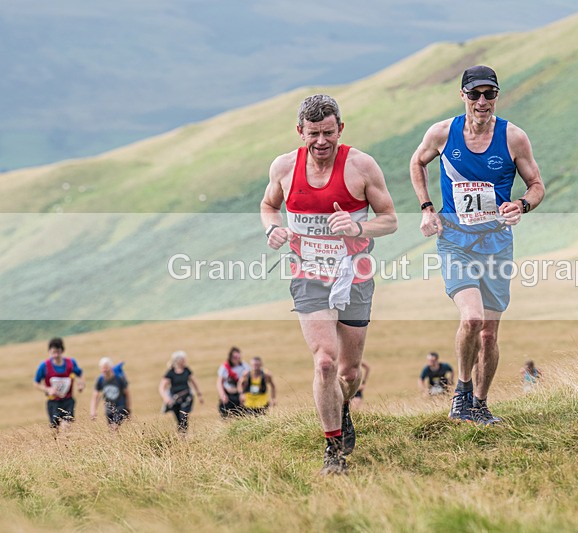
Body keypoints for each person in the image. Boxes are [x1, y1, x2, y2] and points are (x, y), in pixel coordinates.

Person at [261, 94, 397, 474]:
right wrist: (273, 229)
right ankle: (333, 449)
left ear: (341, 128)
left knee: (349, 373)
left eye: (328, 133)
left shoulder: (361, 166)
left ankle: (343, 405)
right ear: (300, 131)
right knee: (324, 362)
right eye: (313, 134)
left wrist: (358, 227)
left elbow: (389, 219)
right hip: (308, 273)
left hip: (355, 272)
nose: (321, 141)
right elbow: (269, 205)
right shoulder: (285, 167)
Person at [410, 65, 545, 424]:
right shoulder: (442, 133)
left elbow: (536, 185)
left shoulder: (514, 138)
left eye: (489, 94)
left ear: (497, 96)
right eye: (475, 94)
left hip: (496, 242)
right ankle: (462, 393)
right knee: (471, 318)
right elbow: (417, 162)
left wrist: (522, 205)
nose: (482, 101)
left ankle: (481, 405)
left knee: (489, 333)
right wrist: (427, 208)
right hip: (455, 239)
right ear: (463, 96)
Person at [33, 337, 85, 430]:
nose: (56, 355)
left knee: (66, 426)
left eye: (58, 352)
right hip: (53, 402)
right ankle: (57, 443)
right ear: (49, 352)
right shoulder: (44, 366)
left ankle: (65, 443)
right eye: (53, 353)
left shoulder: (70, 363)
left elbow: (80, 374)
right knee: (55, 429)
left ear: (62, 351)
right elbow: (36, 383)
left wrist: (81, 384)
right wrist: (48, 389)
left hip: (68, 400)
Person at [159, 351, 204, 433]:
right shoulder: (171, 372)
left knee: (183, 416)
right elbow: (162, 386)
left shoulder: (186, 370)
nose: (184, 361)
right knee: (179, 419)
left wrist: (199, 394)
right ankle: (182, 437)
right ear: (178, 360)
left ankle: (183, 436)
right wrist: (166, 398)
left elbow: (194, 382)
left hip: (187, 397)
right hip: (175, 399)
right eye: (183, 359)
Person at [90, 357, 131, 429]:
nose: (104, 370)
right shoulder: (100, 380)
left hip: (120, 407)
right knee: (112, 429)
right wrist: (93, 410)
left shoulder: (119, 379)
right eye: (102, 368)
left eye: (106, 368)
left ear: (111, 368)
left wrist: (128, 409)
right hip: (109, 409)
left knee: (114, 428)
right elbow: (95, 396)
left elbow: (127, 394)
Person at [216, 346, 249, 418]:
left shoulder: (244, 366)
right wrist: (222, 395)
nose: (237, 359)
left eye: (238, 357)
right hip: (228, 396)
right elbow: (219, 382)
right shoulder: (225, 367)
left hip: (240, 395)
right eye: (235, 357)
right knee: (226, 416)